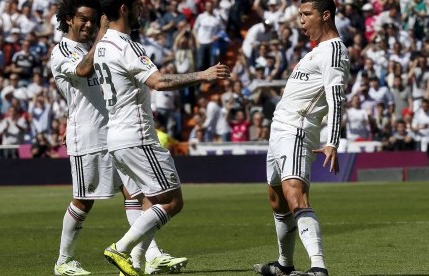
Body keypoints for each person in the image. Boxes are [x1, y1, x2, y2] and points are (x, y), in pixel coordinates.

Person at [50, 1, 188, 275]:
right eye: (83, 19)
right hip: (88, 135)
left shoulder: (103, 47)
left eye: (93, 19)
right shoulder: (61, 51)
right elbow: (82, 71)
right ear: (68, 20)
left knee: (138, 193)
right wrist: (102, 35)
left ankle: (149, 255)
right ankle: (63, 261)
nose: (89, 24)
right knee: (83, 200)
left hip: (115, 132)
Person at [94, 1, 231, 275]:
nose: (141, 11)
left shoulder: (101, 46)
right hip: (138, 136)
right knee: (172, 202)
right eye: (137, 6)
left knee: (149, 202)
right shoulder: (125, 45)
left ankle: (132, 265)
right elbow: (158, 82)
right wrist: (203, 75)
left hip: (116, 138)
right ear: (124, 8)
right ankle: (119, 248)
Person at [253, 1, 350, 276]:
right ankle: (285, 265)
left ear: (326, 15)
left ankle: (318, 267)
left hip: (296, 129)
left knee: (296, 196)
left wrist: (332, 140)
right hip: (279, 130)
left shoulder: (333, 51)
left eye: (307, 15)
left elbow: (335, 97)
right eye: (300, 15)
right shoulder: (317, 51)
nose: (301, 21)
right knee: (277, 199)